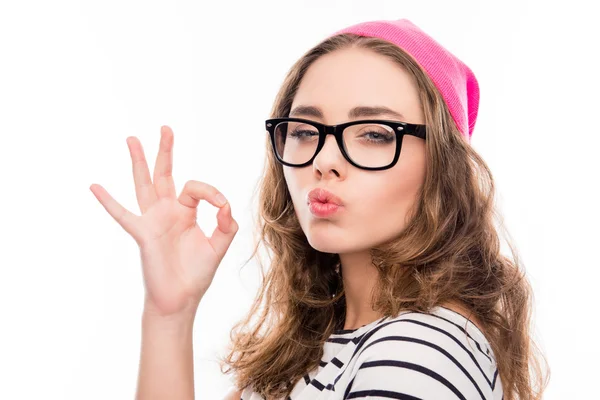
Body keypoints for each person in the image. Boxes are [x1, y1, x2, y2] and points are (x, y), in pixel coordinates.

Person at [90, 18, 549, 400]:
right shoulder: (320, 347)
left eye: (374, 134)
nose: (324, 161)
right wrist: (170, 313)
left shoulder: (416, 350)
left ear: (443, 169)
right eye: (305, 130)